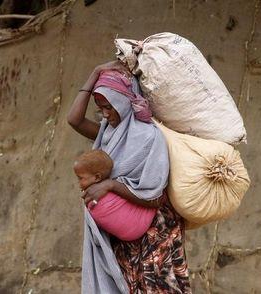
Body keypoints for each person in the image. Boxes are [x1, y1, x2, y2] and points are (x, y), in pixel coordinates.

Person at [67, 61, 191, 294]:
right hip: (125, 234)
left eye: (109, 107)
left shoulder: (149, 137)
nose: (105, 114)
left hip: (155, 231)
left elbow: (155, 198)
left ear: (123, 103)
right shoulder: (109, 132)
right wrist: (95, 72)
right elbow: (74, 120)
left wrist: (111, 185)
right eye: (100, 107)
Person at [73, 149, 157, 241]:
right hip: (140, 227)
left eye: (80, 178)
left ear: (97, 177)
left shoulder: (99, 195)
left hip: (127, 236)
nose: (78, 182)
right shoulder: (113, 188)